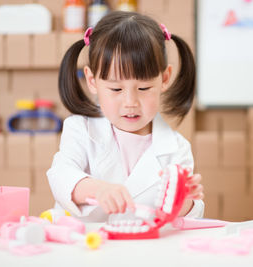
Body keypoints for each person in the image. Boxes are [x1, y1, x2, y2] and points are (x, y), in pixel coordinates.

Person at [47, 11, 204, 222]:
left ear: (164, 78)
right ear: (92, 81)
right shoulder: (80, 130)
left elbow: (183, 223)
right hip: (85, 248)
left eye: (144, 87)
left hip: (143, 250)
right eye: (115, 89)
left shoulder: (177, 148)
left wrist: (184, 203)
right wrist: (96, 189)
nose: (130, 102)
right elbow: (61, 175)